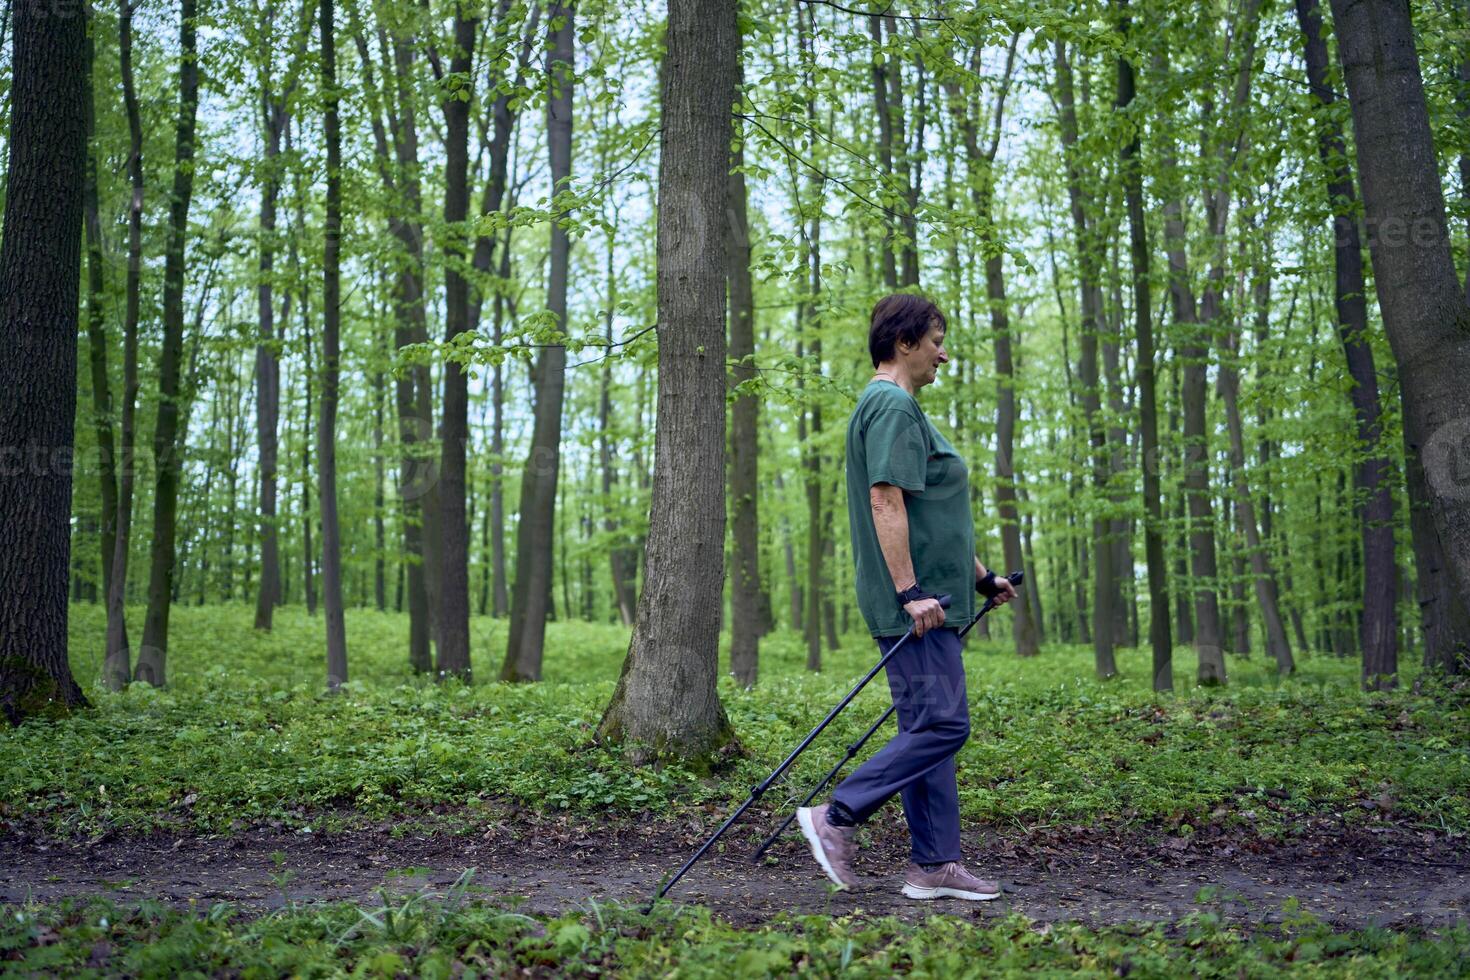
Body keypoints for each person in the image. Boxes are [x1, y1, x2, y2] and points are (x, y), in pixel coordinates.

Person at [796, 293, 1017, 901]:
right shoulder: (891, 405)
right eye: (937, 341)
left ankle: (935, 864)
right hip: (917, 606)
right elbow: (886, 499)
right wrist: (910, 592)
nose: (944, 354)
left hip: (936, 598)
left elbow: (931, 516)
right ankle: (836, 816)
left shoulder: (902, 408)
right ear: (905, 343)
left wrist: (980, 579)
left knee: (927, 728)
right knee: (945, 723)